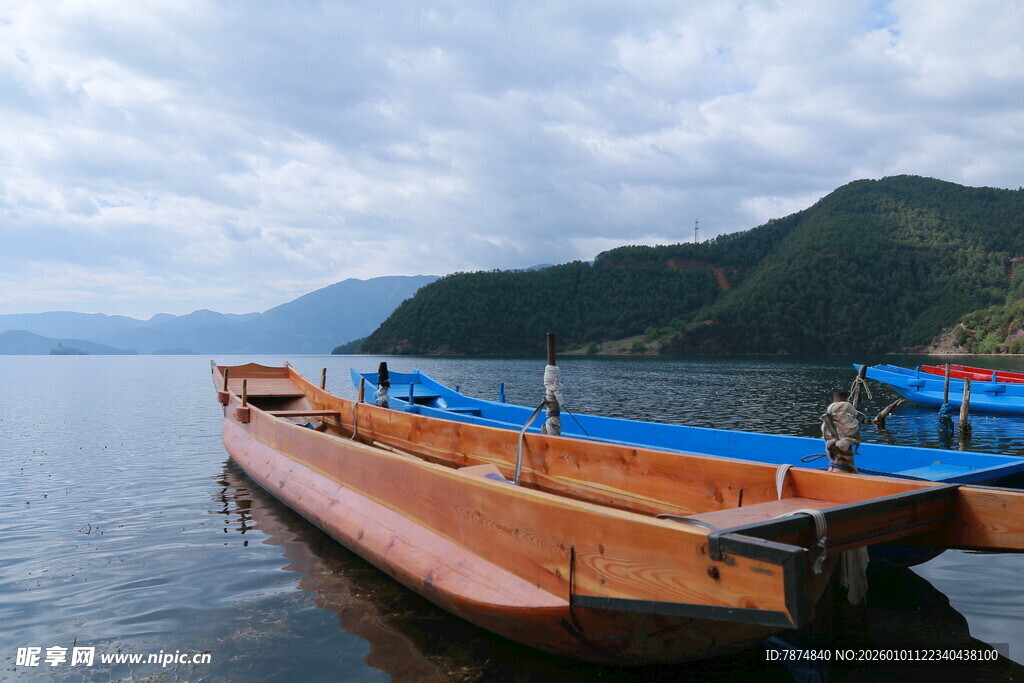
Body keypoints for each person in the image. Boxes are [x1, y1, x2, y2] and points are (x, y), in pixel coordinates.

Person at [821, 390, 861, 473]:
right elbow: (854, 415)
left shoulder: (831, 413)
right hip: (839, 444)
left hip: (836, 441)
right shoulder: (846, 408)